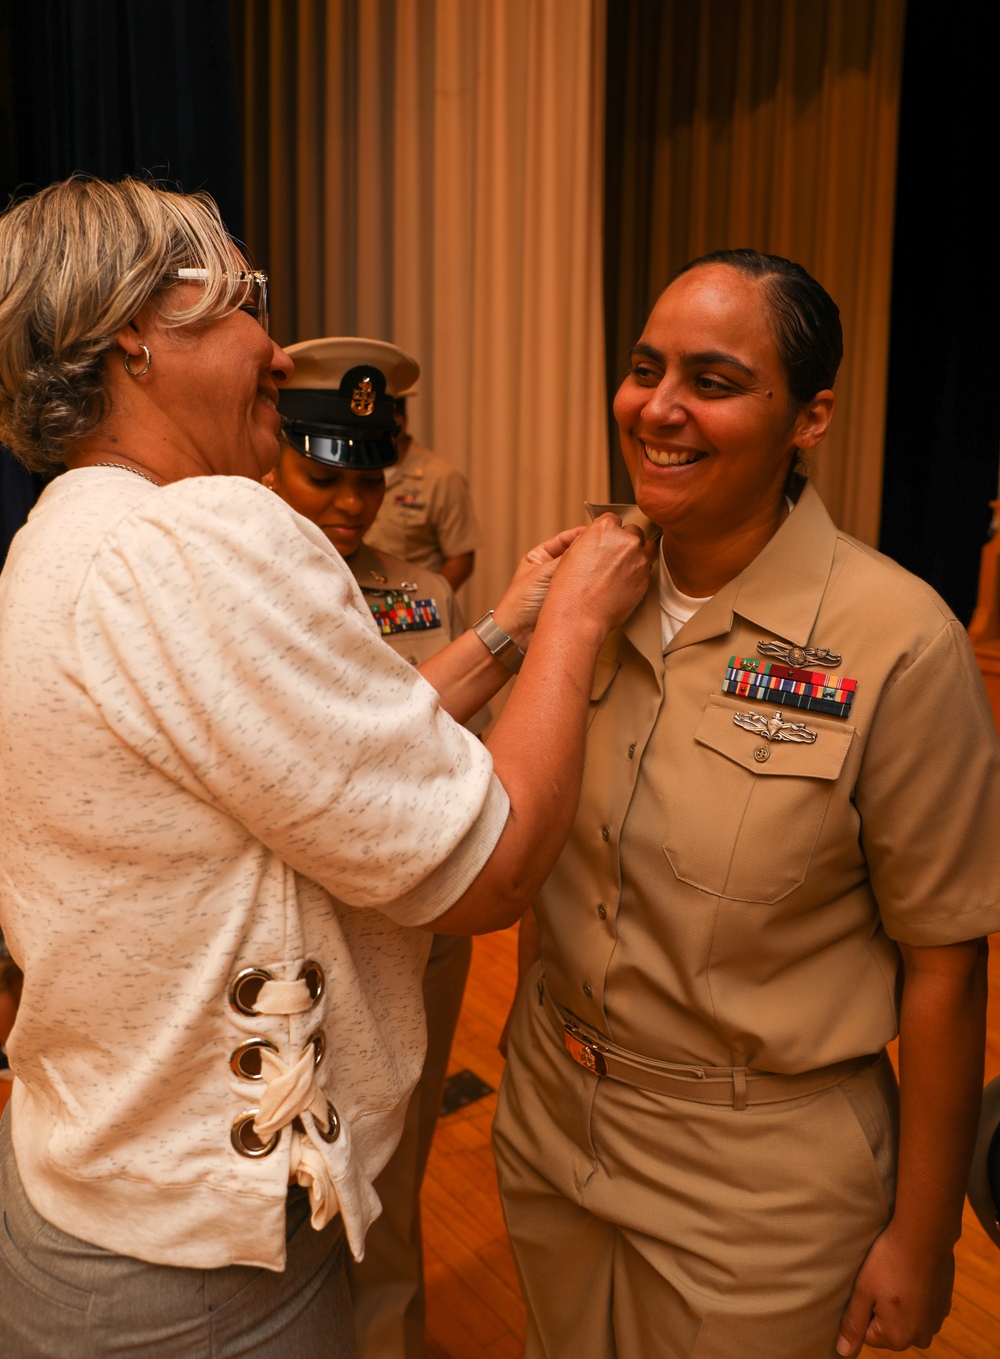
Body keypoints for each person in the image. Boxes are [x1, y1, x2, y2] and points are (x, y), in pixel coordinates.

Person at [0, 175, 653, 1358]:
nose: (278, 344)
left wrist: (505, 624)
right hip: (202, 1278)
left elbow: (311, 755)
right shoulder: (202, 535)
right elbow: (495, 869)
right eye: (249, 300)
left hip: (92, 1202)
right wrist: (576, 627)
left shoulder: (69, 533)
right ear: (137, 337)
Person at [492, 249, 1000, 1359]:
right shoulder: (584, 594)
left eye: (713, 381)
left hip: (757, 1182)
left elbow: (946, 967)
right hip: (549, 1115)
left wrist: (921, 1240)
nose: (657, 409)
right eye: (643, 369)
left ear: (808, 418)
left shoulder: (895, 642)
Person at [265, 332, 483, 1358]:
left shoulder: (421, 599)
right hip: (283, 951)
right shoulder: (235, 585)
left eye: (370, 479)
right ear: (269, 453)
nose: (350, 504)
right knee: (281, 1197)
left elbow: (447, 764)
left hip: (413, 933)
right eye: (323, 476)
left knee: (392, 1179)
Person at [363, 390, 481, 590]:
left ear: (399, 423)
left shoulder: (440, 478)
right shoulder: (353, 472)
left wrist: (429, 601)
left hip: (410, 605)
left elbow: (461, 558)